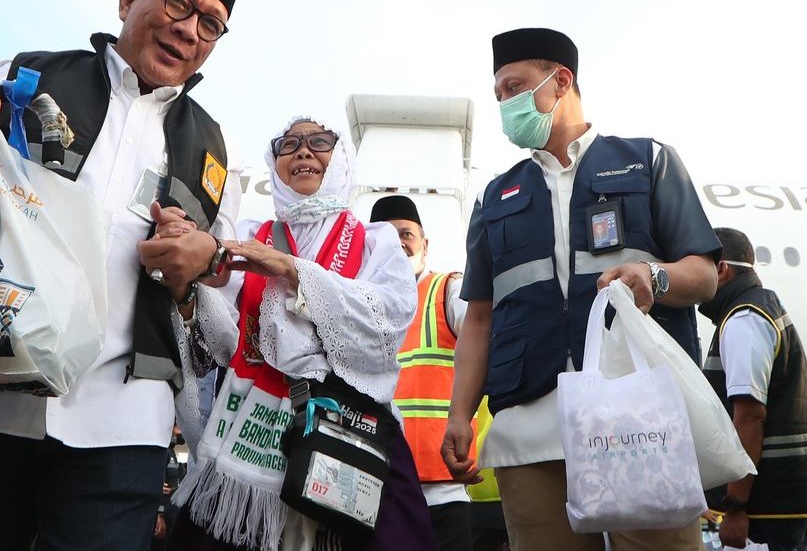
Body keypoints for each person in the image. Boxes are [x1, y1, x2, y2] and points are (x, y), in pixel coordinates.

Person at [0, 0, 245, 549]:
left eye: (211, 22)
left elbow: (217, 313)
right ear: (128, 0)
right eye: (178, 3)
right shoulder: (26, 75)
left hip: (122, 418)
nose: (190, 30)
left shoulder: (215, 153)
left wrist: (197, 269)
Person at [442, 27, 721, 551]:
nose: (505, 103)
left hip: (638, 419)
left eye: (514, 87)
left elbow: (703, 274)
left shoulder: (649, 161)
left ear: (561, 80)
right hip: (530, 431)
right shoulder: (493, 197)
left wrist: (655, 276)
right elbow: (479, 319)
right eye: (498, 93)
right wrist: (459, 414)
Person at [163, 116, 435, 551]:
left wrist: (292, 271)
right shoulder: (251, 237)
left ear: (340, 158)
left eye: (319, 141)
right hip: (249, 424)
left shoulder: (375, 240)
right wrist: (185, 287)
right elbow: (221, 342)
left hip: (350, 431)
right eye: (288, 144)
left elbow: (387, 321)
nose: (304, 150)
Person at [368, 194, 476, 551]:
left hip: (442, 494)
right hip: (375, 491)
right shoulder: (356, 301)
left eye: (406, 234)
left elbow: (484, 332)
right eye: (385, 234)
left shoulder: (448, 290)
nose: (397, 242)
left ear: (425, 245)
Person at [699, 228, 807, 551]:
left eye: (699, 267)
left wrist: (735, 507)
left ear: (721, 269)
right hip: (780, 501)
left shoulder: (744, 318)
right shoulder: (759, 308)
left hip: (767, 509)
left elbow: (749, 417)